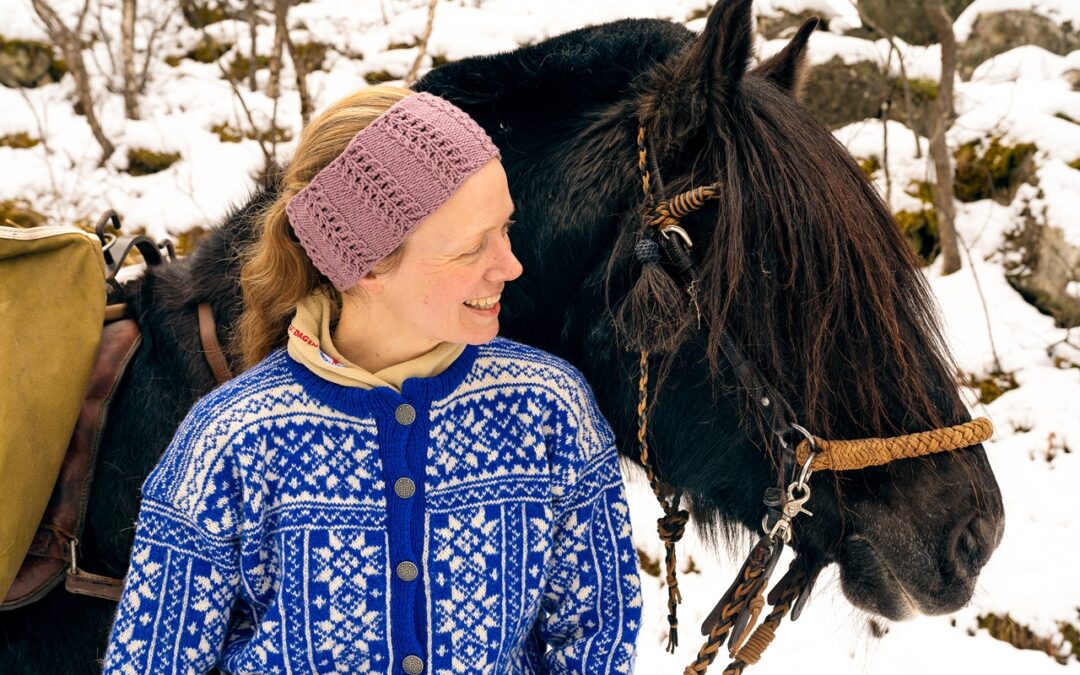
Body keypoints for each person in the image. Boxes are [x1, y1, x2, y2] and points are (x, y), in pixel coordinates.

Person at [102, 85, 642, 674]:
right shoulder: (232, 439)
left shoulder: (548, 409)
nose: (510, 265)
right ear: (364, 265)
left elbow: (597, 634)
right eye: (469, 249)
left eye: (505, 228)